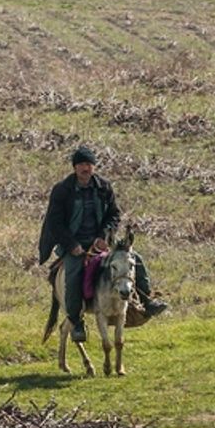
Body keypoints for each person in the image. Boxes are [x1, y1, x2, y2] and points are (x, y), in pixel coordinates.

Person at [37, 146, 167, 341]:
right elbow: (55, 223)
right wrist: (72, 245)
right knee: (73, 275)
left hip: (100, 241)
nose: (85, 168)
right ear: (75, 167)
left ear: (94, 167)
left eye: (89, 164)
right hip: (74, 245)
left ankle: (147, 300)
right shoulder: (62, 190)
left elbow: (114, 215)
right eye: (81, 164)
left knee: (135, 259)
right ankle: (76, 321)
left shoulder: (103, 187)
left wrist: (103, 236)